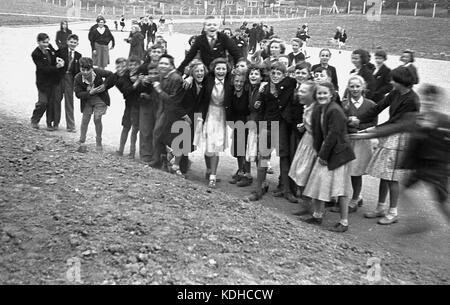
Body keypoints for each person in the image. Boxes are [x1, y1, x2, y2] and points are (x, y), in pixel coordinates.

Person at [351, 84, 450, 226]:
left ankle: (402, 216)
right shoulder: (415, 118)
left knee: (442, 203)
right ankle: (419, 221)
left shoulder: (445, 121)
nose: (429, 103)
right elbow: (391, 129)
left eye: (432, 100)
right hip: (420, 167)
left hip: (438, 169)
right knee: (404, 192)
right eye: (426, 99)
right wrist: (363, 135)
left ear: (438, 102)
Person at [356, 66, 420, 225]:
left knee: (391, 177)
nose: (390, 82)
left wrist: (371, 129)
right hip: (390, 135)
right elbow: (378, 107)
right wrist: (360, 118)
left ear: (402, 82)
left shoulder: (412, 100)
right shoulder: (396, 93)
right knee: (384, 175)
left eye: (394, 80)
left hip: (400, 138)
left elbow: (395, 122)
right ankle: (380, 207)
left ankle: (393, 212)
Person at [302, 81, 355, 233]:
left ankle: (344, 222)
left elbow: (333, 135)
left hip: (338, 153)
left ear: (332, 94)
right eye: (319, 93)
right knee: (318, 181)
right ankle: (317, 215)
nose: (322, 96)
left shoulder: (335, 110)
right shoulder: (319, 108)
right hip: (325, 151)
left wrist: (323, 155)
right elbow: (317, 133)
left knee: (341, 188)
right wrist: (318, 152)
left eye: (325, 93)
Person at [248, 62, 298, 203]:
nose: (275, 76)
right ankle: (259, 187)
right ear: (269, 73)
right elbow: (261, 108)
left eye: (279, 73)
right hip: (267, 124)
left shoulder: (289, 83)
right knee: (263, 156)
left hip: (281, 124)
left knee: (284, 156)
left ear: (284, 75)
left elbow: (299, 77)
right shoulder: (265, 88)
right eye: (273, 73)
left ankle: (286, 190)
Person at [339, 75, 377, 213]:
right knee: (343, 171)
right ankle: (341, 199)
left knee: (356, 172)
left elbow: (374, 123)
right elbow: (338, 121)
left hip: (361, 141)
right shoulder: (344, 104)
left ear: (363, 88)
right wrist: (348, 121)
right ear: (348, 88)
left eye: (357, 86)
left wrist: (359, 124)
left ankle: (355, 198)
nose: (355, 89)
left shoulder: (370, 104)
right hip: (346, 140)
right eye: (352, 86)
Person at [196, 58, 233, 188]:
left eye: (223, 69)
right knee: (208, 144)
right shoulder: (208, 79)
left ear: (227, 70)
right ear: (213, 69)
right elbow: (196, 74)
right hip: (209, 113)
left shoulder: (230, 81)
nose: (221, 71)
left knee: (217, 145)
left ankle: (213, 176)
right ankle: (209, 169)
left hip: (221, 114)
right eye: (218, 68)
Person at [153, 54, 187, 176]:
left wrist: (159, 90)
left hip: (172, 113)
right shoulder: (164, 76)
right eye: (161, 63)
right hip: (164, 110)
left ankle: (173, 165)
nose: (162, 66)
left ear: (172, 65)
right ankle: (165, 163)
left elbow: (173, 100)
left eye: (166, 64)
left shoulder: (175, 78)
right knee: (160, 135)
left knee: (164, 136)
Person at [177, 16, 243, 76]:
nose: (212, 26)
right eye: (209, 25)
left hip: (221, 71)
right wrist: (179, 71)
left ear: (218, 27)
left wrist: (237, 68)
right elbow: (189, 56)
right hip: (206, 72)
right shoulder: (200, 39)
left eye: (214, 25)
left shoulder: (224, 38)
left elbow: (236, 54)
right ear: (205, 27)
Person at [74, 57, 114, 152]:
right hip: (87, 100)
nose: (86, 72)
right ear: (80, 68)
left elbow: (111, 75)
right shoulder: (78, 78)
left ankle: (98, 141)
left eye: (88, 69)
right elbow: (78, 94)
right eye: (83, 69)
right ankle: (82, 139)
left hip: (100, 99)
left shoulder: (98, 72)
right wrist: (89, 93)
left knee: (97, 118)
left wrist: (105, 85)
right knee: (85, 119)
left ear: (92, 68)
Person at [178, 59, 208, 174]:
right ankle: (181, 168)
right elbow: (177, 102)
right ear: (192, 73)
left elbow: (202, 103)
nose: (200, 73)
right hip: (183, 115)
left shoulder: (205, 84)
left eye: (202, 71)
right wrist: (184, 115)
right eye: (197, 71)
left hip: (195, 117)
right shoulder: (187, 84)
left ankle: (181, 164)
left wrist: (200, 116)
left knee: (189, 144)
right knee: (182, 142)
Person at [109, 57, 142, 158]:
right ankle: (121, 150)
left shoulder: (139, 74)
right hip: (129, 105)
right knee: (126, 127)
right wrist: (136, 83)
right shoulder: (123, 77)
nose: (132, 67)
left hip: (138, 105)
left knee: (135, 129)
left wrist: (137, 81)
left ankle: (132, 152)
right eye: (130, 65)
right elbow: (126, 91)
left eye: (135, 65)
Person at [30, 33, 65, 130]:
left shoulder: (49, 48)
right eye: (43, 42)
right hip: (42, 82)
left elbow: (55, 55)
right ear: (38, 42)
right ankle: (34, 119)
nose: (46, 44)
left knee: (51, 103)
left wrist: (58, 59)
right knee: (43, 102)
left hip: (53, 81)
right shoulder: (35, 54)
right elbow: (43, 68)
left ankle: (49, 124)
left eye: (47, 42)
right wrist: (56, 67)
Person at [288, 81, 317, 197]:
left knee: (308, 173)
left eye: (303, 91)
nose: (299, 93)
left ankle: (312, 208)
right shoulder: (308, 107)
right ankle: (306, 205)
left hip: (313, 144)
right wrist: (304, 126)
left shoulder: (317, 109)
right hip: (306, 141)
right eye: (299, 90)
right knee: (301, 172)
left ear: (312, 94)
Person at [228, 69, 252, 187]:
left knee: (245, 149)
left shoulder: (247, 93)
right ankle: (240, 170)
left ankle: (247, 174)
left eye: (241, 82)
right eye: (236, 81)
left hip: (246, 123)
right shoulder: (232, 92)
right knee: (238, 149)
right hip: (237, 123)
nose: (238, 84)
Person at [55, 34, 82, 133]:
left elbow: (79, 71)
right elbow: (53, 59)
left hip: (70, 79)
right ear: (67, 42)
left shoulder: (78, 56)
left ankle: (70, 125)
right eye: (71, 42)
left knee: (69, 102)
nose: (73, 44)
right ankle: (55, 123)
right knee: (57, 100)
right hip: (59, 78)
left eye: (75, 43)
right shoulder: (61, 51)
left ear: (77, 44)